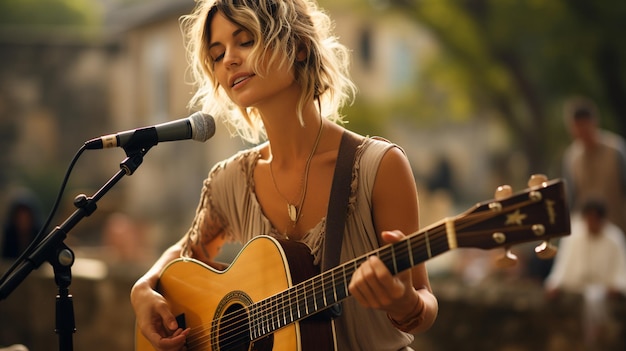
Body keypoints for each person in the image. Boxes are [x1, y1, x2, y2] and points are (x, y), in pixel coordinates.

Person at [130, 1, 438, 350]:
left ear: (300, 47)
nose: (229, 59)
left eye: (245, 41)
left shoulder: (379, 166)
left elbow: (424, 298)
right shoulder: (229, 182)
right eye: (217, 55)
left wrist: (403, 303)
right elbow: (184, 256)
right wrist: (143, 288)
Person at [545, 199, 626, 349]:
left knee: (595, 298)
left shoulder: (614, 238)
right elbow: (562, 265)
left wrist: (618, 286)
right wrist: (555, 282)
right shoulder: (573, 236)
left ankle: (597, 337)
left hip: (602, 287)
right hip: (577, 285)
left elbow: (621, 269)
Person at [561, 96, 626, 234]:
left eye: (584, 125)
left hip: (619, 228)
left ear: (594, 122)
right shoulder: (571, 159)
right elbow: (572, 202)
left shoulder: (615, 150)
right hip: (588, 234)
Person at [1, 192, 42, 260]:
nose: (23, 221)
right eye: (19, 217)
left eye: (26, 217)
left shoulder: (39, 234)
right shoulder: (10, 234)